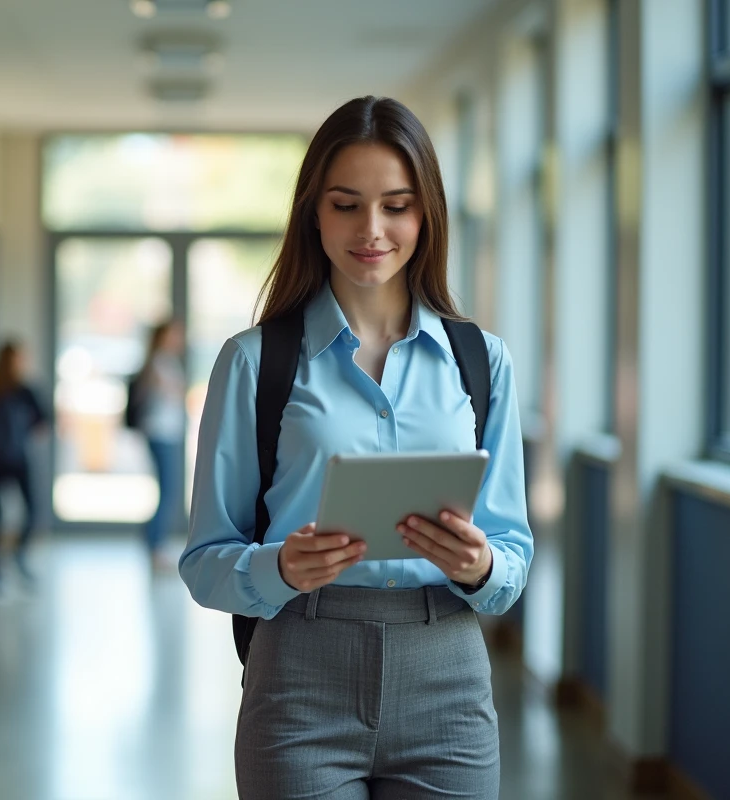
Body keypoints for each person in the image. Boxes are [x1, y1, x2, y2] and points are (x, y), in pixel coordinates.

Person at [179, 96, 533, 799]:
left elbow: (512, 557)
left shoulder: (482, 362)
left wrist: (480, 563)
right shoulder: (255, 362)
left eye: (396, 205)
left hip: (449, 682)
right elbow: (203, 564)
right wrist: (277, 564)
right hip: (299, 677)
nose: (372, 230)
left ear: (425, 214)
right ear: (314, 212)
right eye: (346, 204)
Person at [0, 340, 47, 590]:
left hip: (17, 459)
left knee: (32, 510)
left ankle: (18, 556)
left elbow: (43, 419)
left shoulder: (24, 390)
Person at [135, 319, 187, 572]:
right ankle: (155, 545)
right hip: (161, 433)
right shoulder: (158, 363)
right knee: (168, 491)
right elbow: (170, 393)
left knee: (168, 491)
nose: (179, 339)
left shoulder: (168, 361)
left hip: (170, 433)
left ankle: (154, 541)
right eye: (174, 334)